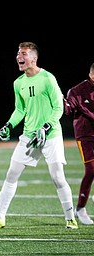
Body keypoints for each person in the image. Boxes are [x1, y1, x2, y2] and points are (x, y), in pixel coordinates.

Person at [0, 41, 78, 230]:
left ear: (34, 58)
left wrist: (45, 127)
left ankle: (70, 218)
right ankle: (0, 217)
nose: (19, 57)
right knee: (11, 174)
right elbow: (20, 110)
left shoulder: (48, 78)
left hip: (50, 134)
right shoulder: (18, 82)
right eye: (18, 53)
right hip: (29, 135)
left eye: (24, 53)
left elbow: (59, 107)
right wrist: (9, 125)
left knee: (58, 177)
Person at [64, 62, 94, 225]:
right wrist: (61, 103)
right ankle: (81, 208)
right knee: (91, 170)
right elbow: (67, 108)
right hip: (86, 135)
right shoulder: (78, 91)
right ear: (91, 75)